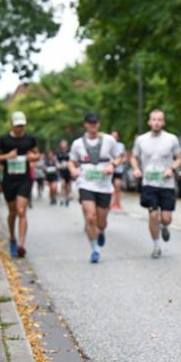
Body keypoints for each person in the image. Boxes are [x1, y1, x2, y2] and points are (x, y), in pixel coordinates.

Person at [68, 111, 125, 263]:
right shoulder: (77, 144)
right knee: (90, 217)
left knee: (101, 222)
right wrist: (73, 169)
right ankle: (95, 249)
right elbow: (71, 161)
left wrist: (112, 165)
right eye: (90, 123)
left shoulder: (109, 140)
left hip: (104, 186)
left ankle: (100, 232)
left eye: (95, 123)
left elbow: (120, 156)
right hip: (85, 184)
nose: (93, 125)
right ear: (85, 124)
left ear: (99, 124)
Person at [131, 109, 181, 259]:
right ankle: (156, 245)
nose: (157, 122)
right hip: (149, 184)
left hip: (166, 184)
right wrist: (136, 169)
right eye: (154, 119)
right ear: (149, 122)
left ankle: (164, 226)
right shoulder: (141, 140)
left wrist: (172, 169)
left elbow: (179, 158)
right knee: (153, 214)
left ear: (163, 122)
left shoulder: (171, 139)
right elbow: (134, 157)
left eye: (160, 120)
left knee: (166, 218)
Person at [0, 111, 40, 257]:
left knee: (21, 210)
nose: (20, 128)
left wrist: (32, 157)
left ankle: (21, 245)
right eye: (18, 125)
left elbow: (37, 154)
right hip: (9, 180)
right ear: (12, 124)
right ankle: (12, 238)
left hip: (24, 179)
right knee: (12, 212)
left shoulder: (30, 139)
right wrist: (7, 156)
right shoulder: (3, 139)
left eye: (22, 125)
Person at [55, 139, 74, 206]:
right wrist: (58, 166)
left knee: (68, 185)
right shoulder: (58, 152)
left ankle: (67, 197)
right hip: (61, 170)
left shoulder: (70, 151)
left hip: (68, 170)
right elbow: (56, 160)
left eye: (64, 143)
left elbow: (72, 159)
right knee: (63, 184)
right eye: (62, 143)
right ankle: (63, 198)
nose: (63, 145)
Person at [110, 130, 125, 210]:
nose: (114, 138)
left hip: (118, 170)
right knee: (110, 188)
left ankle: (118, 203)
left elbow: (124, 157)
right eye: (112, 136)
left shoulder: (121, 146)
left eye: (115, 136)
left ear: (118, 138)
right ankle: (110, 203)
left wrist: (119, 161)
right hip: (109, 170)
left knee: (117, 186)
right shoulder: (107, 145)